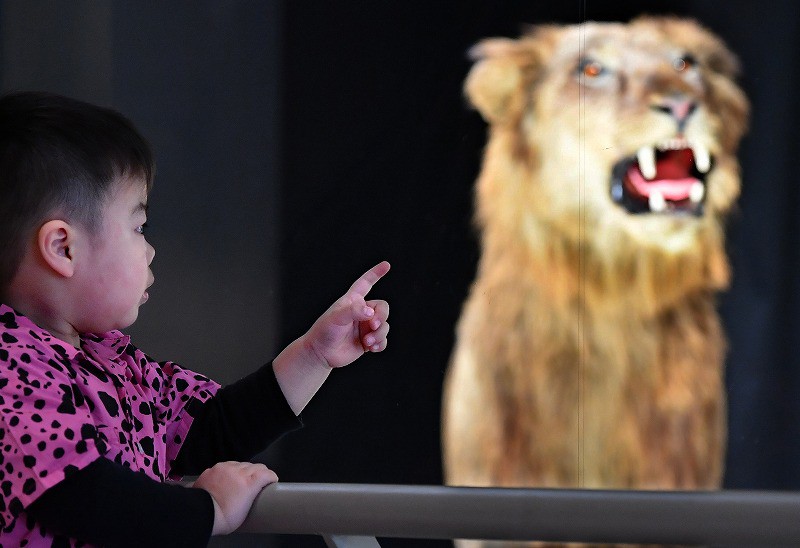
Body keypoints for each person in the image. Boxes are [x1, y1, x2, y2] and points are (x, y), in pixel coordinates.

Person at [0, 91, 391, 547]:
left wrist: (314, 354)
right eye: (138, 227)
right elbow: (81, 496)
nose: (149, 249)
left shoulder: (114, 364)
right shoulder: (12, 367)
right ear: (63, 248)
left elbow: (213, 429)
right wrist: (210, 510)